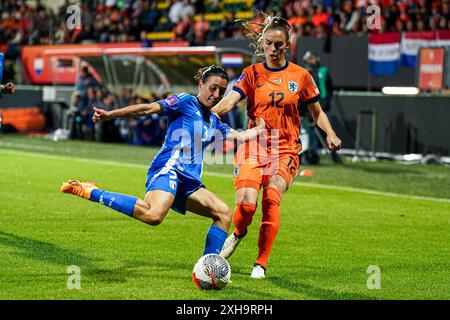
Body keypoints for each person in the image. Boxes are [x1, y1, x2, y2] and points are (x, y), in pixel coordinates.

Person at [60, 65, 265, 257]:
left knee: (223, 214)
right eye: (213, 88)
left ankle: (207, 267)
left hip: (190, 182)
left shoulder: (213, 120)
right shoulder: (185, 102)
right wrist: (110, 115)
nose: (217, 95)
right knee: (153, 215)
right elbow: (148, 109)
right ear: (201, 85)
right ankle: (92, 191)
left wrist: (260, 128)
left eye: (221, 91)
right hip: (170, 169)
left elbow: (240, 137)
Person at [211, 15, 342, 279]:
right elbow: (230, 102)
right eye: (269, 43)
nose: (273, 49)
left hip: (286, 150)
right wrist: (209, 112)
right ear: (262, 43)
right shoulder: (252, 74)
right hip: (253, 146)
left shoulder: (301, 76)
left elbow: (317, 112)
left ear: (288, 44)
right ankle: (238, 232)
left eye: (279, 45)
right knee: (246, 207)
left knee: (271, 199)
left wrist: (330, 133)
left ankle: (260, 263)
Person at [303, 51, 341, 164]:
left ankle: (335, 156)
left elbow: (330, 88)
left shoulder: (323, 71)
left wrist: (326, 103)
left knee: (329, 131)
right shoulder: (306, 72)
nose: (310, 61)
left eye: (312, 58)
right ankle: (313, 156)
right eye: (308, 59)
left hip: (324, 107)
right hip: (312, 106)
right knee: (312, 133)